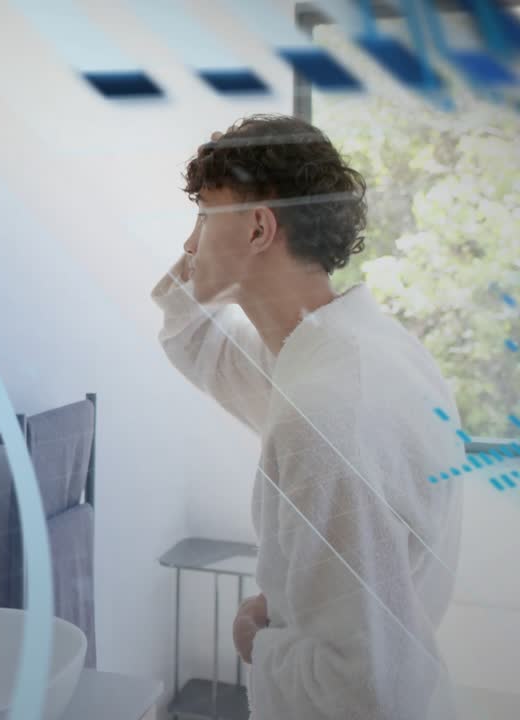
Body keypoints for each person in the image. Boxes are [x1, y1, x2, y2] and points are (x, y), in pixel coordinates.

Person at [152, 114, 464, 719]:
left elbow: (364, 691)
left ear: (259, 228)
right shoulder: (350, 353)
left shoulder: (323, 412)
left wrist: (256, 639)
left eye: (203, 219)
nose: (189, 247)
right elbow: (201, 348)